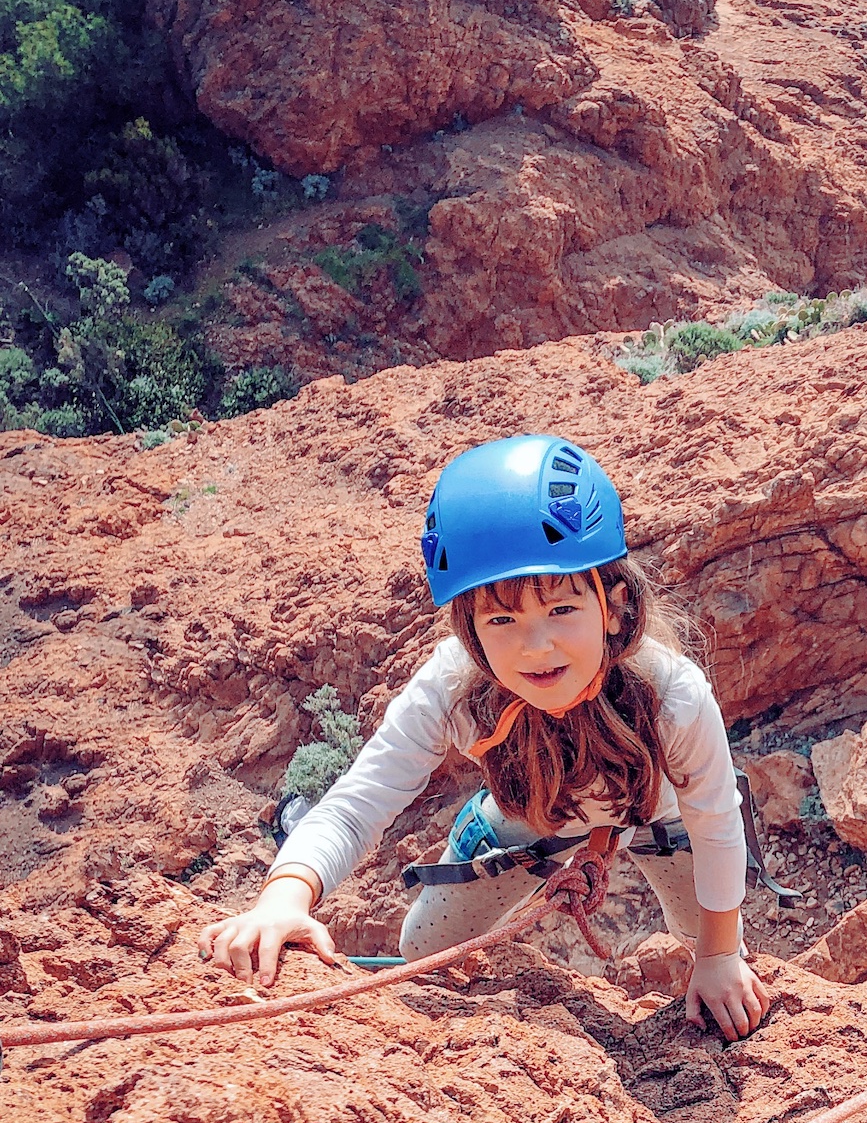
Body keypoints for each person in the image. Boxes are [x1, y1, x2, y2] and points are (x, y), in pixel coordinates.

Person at [199, 434, 769, 1041]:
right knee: (425, 950)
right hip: (534, 814)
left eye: (561, 610)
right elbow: (358, 802)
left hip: (661, 813)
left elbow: (715, 820)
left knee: (712, 936)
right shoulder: (452, 687)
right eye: (501, 619)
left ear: (613, 605)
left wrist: (716, 955)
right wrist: (283, 898)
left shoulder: (672, 694)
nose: (536, 646)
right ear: (469, 628)